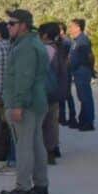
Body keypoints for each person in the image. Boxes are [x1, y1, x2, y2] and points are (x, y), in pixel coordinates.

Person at [0, 9, 51, 194]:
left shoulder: (25, 47)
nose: (8, 26)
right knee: (36, 145)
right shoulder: (32, 42)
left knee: (24, 147)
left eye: (12, 23)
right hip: (36, 101)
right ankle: (41, 187)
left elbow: (24, 78)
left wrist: (18, 105)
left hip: (25, 104)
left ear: (23, 25)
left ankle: (23, 189)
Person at [39, 22, 68, 164]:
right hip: (56, 89)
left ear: (44, 35)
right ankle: (53, 148)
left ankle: (47, 151)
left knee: (44, 122)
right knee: (52, 121)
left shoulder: (44, 49)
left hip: (45, 90)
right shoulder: (59, 47)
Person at [67, 19, 95, 131]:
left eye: (72, 26)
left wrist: (90, 69)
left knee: (86, 97)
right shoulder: (76, 40)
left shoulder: (82, 40)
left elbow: (90, 56)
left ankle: (89, 122)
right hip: (77, 71)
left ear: (78, 27)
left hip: (82, 70)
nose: (70, 29)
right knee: (82, 97)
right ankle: (83, 120)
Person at [58, 22, 79, 127]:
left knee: (67, 95)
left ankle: (71, 117)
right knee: (64, 94)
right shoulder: (63, 41)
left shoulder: (66, 42)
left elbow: (69, 57)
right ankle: (63, 117)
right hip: (63, 70)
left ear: (61, 31)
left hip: (65, 71)